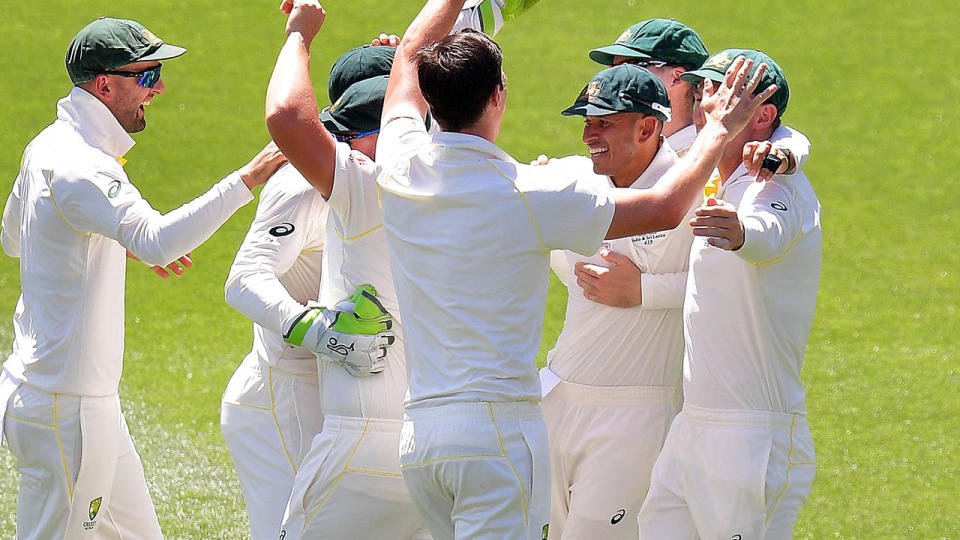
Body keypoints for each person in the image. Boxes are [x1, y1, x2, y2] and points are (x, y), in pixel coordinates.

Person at [371, 0, 775, 537]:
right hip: (500, 430)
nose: (590, 136)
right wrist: (719, 128)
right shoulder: (534, 192)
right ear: (499, 94)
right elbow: (663, 208)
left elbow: (406, 61)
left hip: (421, 435)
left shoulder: (398, 168)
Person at [0, 16, 286, 538]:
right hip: (68, 411)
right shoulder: (85, 166)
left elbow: (15, 238)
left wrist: (103, 234)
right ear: (104, 85)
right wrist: (251, 177)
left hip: (79, 403)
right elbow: (159, 240)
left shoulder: (47, 146)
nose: (159, 88)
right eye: (148, 75)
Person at [636, 49, 821, 539]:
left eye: (723, 92)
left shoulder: (780, 185)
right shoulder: (718, 168)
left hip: (750, 436)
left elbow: (767, 235)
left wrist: (739, 232)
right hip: (692, 427)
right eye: (704, 90)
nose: (706, 104)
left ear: (762, 115)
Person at [265, 9, 433, 536]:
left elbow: (288, 116)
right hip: (433, 442)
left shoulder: (363, 187)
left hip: (359, 438)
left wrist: (299, 35)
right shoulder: (488, 185)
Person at [220, 44, 396, 540]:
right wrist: (321, 330)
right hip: (285, 397)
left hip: (325, 388)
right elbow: (244, 279)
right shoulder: (304, 183)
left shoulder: (368, 173)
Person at [539, 65, 695, 540]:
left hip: (635, 414)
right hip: (555, 395)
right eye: (585, 121)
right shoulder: (568, 180)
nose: (589, 135)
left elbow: (734, 284)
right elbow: (466, 176)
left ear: (648, 126)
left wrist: (645, 292)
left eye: (603, 122)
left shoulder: (691, 191)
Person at [576, 18, 811, 310]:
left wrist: (646, 290)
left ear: (677, 77)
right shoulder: (626, 144)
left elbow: (733, 276)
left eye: (633, 65)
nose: (618, 77)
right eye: (613, 67)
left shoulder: (723, 155)